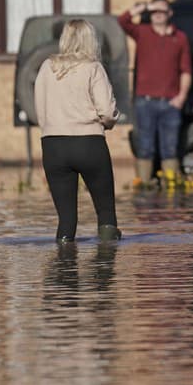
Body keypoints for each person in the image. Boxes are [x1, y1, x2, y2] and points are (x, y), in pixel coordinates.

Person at [35, 19, 121, 243]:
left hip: (53, 145)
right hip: (89, 143)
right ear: (90, 40)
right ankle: (105, 270)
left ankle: (64, 269)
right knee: (106, 214)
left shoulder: (46, 67)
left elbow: (40, 110)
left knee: (65, 219)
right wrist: (108, 124)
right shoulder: (93, 67)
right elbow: (108, 112)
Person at [118, 0, 192, 184]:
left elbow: (186, 70)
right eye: (154, 12)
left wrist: (181, 97)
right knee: (145, 147)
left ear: (170, 13)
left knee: (170, 148)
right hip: (145, 101)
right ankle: (143, 186)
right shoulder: (142, 32)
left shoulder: (180, 38)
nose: (157, 15)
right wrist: (143, 7)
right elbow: (122, 21)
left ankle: (170, 186)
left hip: (170, 103)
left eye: (162, 11)